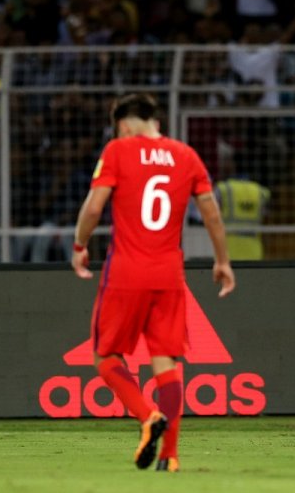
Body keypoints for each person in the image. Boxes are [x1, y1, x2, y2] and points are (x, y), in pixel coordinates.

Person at [70, 94, 236, 472]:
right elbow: (211, 213)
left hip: (126, 273)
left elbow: (94, 206)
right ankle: (170, 457)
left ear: (125, 125)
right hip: (168, 275)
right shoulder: (186, 156)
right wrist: (222, 260)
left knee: (106, 357)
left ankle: (147, 416)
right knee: (168, 364)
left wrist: (79, 245)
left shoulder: (118, 149)